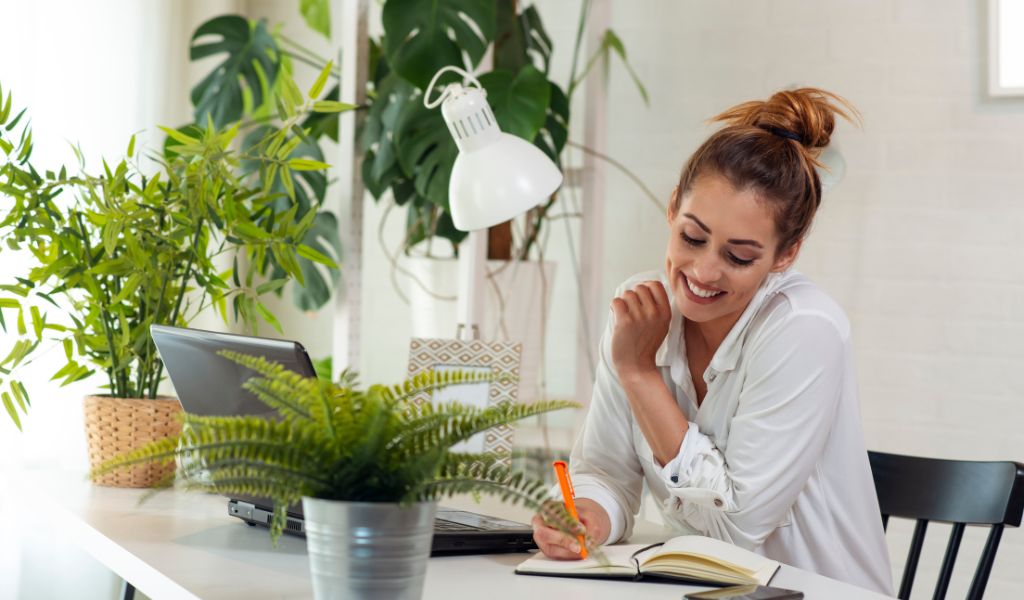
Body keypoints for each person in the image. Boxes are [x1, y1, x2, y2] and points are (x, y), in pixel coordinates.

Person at [531, 88, 894, 595]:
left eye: (739, 256)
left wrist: (639, 373)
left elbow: (735, 529)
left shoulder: (804, 329)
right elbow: (607, 472)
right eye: (692, 237)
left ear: (786, 253)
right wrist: (587, 515)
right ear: (674, 207)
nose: (703, 272)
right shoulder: (641, 310)